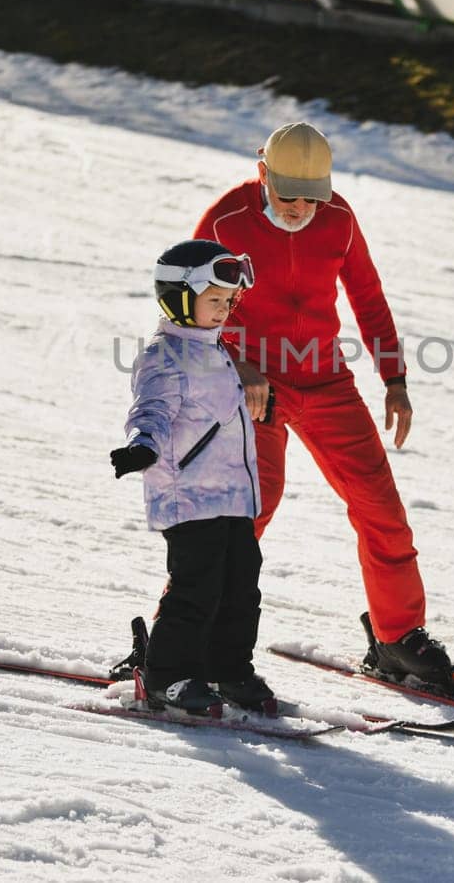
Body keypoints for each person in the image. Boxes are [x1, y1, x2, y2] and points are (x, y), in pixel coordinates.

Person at [193, 122, 454, 696]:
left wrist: (394, 377)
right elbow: (190, 307)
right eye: (286, 194)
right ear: (262, 173)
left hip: (324, 380)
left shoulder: (338, 219)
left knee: (381, 507)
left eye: (310, 196)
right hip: (251, 382)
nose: (298, 209)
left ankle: (396, 637)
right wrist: (236, 366)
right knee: (247, 511)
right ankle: (187, 638)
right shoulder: (226, 222)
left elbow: (367, 296)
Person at [109, 239, 275, 716]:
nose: (224, 311)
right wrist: (142, 444)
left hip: (233, 498)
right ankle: (168, 676)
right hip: (188, 497)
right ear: (181, 298)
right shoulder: (165, 355)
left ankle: (228, 669)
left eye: (228, 302)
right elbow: (151, 409)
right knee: (196, 588)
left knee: (241, 586)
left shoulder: (214, 350)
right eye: (214, 301)